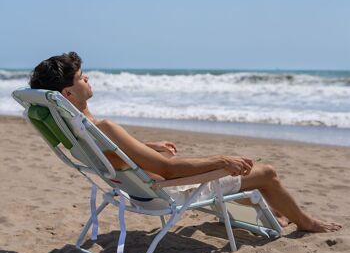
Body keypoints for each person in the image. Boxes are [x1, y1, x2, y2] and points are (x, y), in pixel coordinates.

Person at [30, 52, 341, 233]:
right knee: (267, 173)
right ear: (68, 94)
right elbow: (168, 168)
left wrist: (147, 146)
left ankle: (278, 213)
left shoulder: (82, 129)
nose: (87, 80)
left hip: (134, 189)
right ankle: (306, 222)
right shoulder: (105, 127)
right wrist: (221, 160)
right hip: (166, 190)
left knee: (238, 175)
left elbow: (118, 155)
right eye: (82, 77)